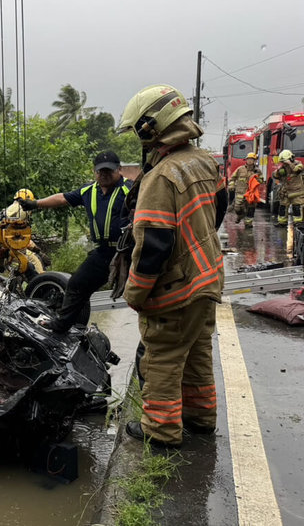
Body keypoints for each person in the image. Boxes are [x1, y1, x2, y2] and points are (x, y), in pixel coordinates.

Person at [117, 84, 226, 447]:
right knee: (197, 350)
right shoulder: (206, 161)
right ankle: (200, 419)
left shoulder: (160, 177)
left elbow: (154, 245)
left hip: (176, 289)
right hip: (207, 278)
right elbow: (218, 210)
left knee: (162, 357)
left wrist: (135, 292)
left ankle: (161, 432)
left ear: (151, 128)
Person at [17, 151, 131, 333]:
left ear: (119, 170)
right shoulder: (89, 191)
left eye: (109, 171)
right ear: (95, 172)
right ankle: (64, 326)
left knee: (141, 294)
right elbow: (62, 198)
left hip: (128, 251)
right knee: (77, 285)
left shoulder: (130, 190)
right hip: (103, 253)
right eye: (100, 171)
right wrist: (35, 204)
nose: (104, 174)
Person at [0, 201, 44, 274]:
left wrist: (14, 272)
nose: (14, 229)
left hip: (4, 260)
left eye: (18, 225)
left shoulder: (21, 232)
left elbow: (19, 252)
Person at [228, 152, 263, 226]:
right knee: (237, 208)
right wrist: (231, 186)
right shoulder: (240, 169)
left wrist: (256, 178)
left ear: (255, 161)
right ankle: (240, 216)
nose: (250, 161)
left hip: (251, 193)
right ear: (246, 160)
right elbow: (232, 178)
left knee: (251, 209)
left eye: (252, 159)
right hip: (240, 193)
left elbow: (261, 180)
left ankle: (248, 223)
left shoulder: (257, 171)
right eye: (248, 159)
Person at [273, 149, 304, 225]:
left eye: (284, 161)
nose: (284, 163)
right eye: (282, 162)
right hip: (285, 192)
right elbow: (275, 176)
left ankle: (298, 222)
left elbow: (297, 170)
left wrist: (290, 163)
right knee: (282, 207)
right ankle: (282, 222)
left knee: (296, 207)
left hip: (296, 191)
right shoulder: (283, 167)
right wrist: (278, 171)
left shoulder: (298, 164)